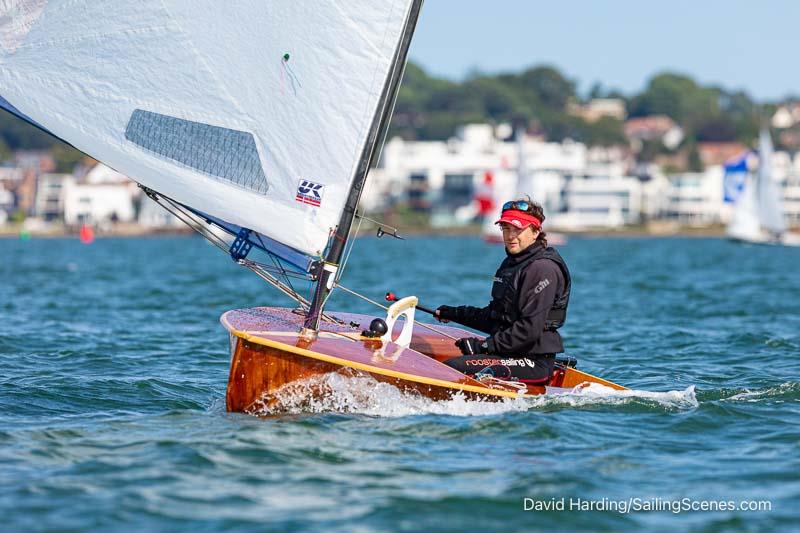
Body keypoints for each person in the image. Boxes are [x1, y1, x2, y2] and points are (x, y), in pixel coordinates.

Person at [435, 198, 571, 385]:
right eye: (506, 228)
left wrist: (484, 345)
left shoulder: (542, 269)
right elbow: (497, 318)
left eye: (518, 229)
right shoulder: (513, 264)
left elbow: (528, 330)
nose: (510, 236)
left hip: (534, 362)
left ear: (535, 231)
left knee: (452, 367)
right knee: (444, 362)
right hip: (508, 354)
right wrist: (455, 313)